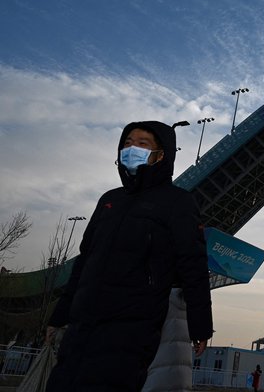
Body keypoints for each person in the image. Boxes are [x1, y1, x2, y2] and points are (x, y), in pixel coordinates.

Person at [45, 121, 213, 391]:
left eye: (142, 143)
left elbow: (193, 265)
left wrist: (200, 326)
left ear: (161, 154)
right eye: (127, 142)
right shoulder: (109, 200)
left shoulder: (177, 202)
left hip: (131, 327)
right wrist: (59, 316)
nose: (131, 148)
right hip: (82, 325)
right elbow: (84, 262)